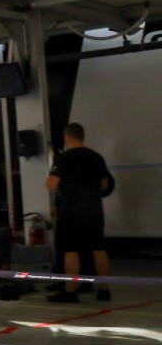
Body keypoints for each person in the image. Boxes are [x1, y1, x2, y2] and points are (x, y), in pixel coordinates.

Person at [46, 123, 114, 303]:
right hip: (94, 209)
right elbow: (105, 184)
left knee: (71, 250)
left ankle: (70, 291)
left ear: (67, 137)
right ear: (82, 136)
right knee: (98, 248)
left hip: (72, 211)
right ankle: (104, 290)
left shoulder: (63, 158)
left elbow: (51, 185)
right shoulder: (96, 157)